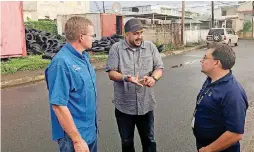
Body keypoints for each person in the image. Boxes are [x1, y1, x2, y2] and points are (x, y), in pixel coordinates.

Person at [105, 18, 164, 152]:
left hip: (146, 104)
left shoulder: (150, 47)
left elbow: (159, 68)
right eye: (136, 33)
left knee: (149, 140)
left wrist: (153, 78)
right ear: (127, 34)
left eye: (141, 33)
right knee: (127, 142)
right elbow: (111, 72)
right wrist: (126, 78)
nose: (140, 37)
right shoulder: (116, 49)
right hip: (124, 106)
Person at [45, 16, 98, 152]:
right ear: (81, 37)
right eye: (92, 35)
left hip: (89, 131)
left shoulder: (84, 57)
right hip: (73, 137)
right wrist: (77, 140)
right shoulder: (61, 64)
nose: (94, 38)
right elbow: (58, 105)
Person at [192, 43, 248, 152]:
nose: (201, 60)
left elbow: (235, 133)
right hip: (204, 144)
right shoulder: (211, 80)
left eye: (205, 58)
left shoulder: (232, 92)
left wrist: (208, 150)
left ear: (216, 63)